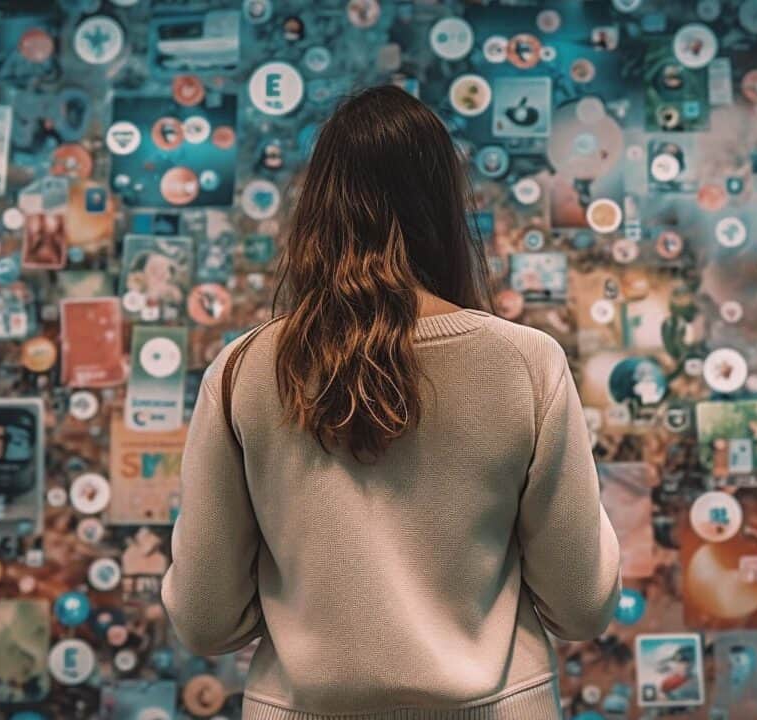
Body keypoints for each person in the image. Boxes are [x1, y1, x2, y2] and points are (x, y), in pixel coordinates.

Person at [160, 84, 621, 720]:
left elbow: (205, 620)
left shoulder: (244, 371)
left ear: (316, 209)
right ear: (443, 208)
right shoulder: (525, 363)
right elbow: (581, 604)